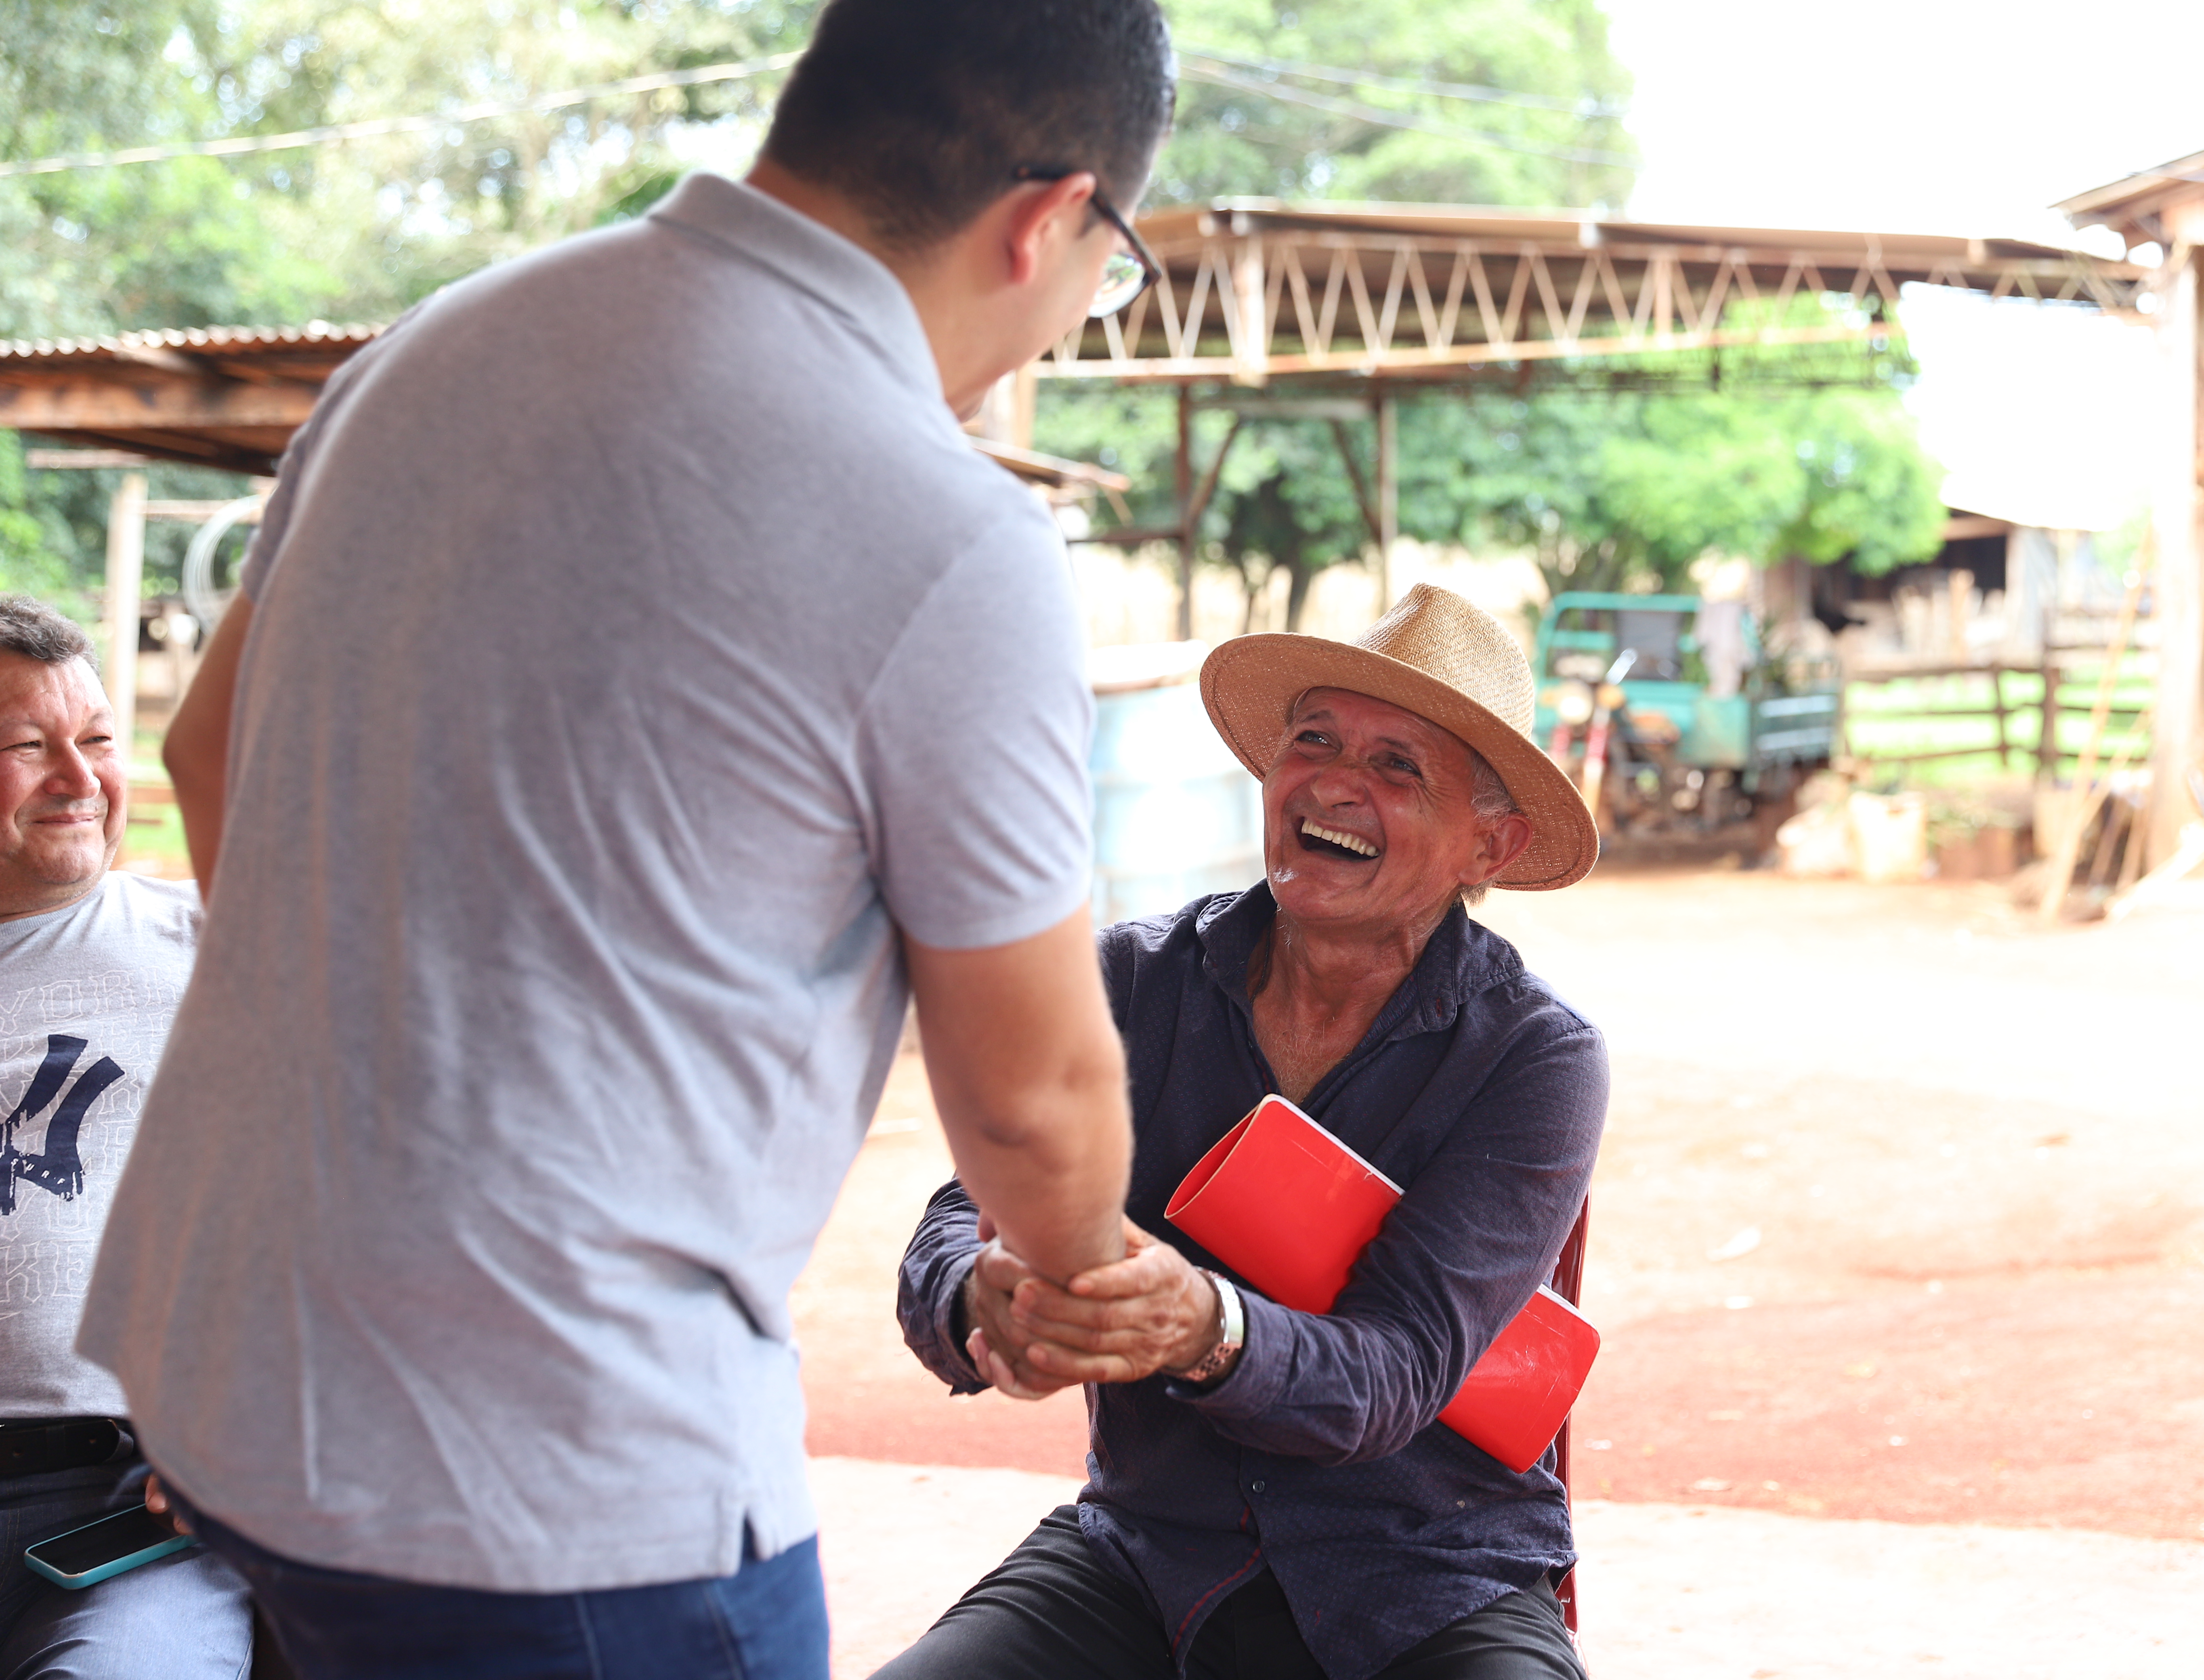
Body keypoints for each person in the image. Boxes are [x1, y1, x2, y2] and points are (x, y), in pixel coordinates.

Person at [73, 2, 1174, 1674]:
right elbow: (1032, 1095)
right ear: (1051, 218)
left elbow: (205, 750)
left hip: (230, 1370)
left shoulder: (431, 349)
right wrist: (1080, 1270)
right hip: (555, 1476)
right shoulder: (944, 524)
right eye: (1122, 260)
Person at [886, 584, 1608, 1680]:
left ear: (1490, 846)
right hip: (1146, 1558)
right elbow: (956, 1222)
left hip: (1425, 1576)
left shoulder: (1532, 1056)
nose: (1332, 781)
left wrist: (1205, 1327)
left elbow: (1396, 1370)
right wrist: (976, 1298)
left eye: (1396, 766)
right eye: (1312, 740)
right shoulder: (1131, 983)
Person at [0, 596, 253, 1677]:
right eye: (28, 746)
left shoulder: (216, 948)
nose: (80, 776)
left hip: (134, 1505)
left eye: (99, 740)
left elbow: (367, 1197)